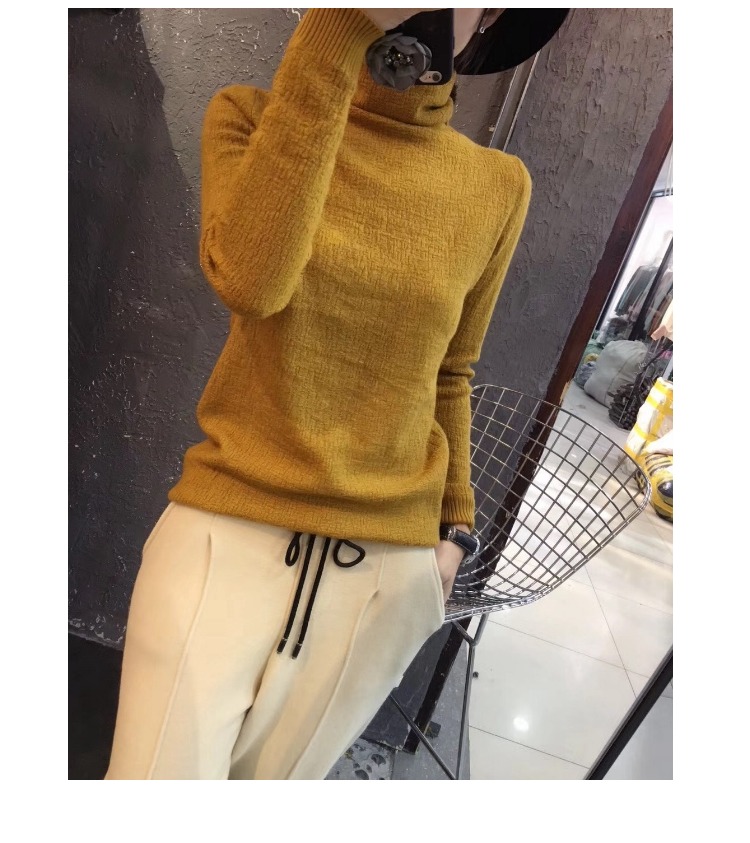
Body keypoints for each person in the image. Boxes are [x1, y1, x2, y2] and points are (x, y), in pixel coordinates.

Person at [104, 7, 561, 781]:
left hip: (384, 575)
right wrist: (341, 27)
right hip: (225, 536)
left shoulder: (497, 187)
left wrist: (454, 534)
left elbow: (452, 370)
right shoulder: (247, 118)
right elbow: (254, 282)